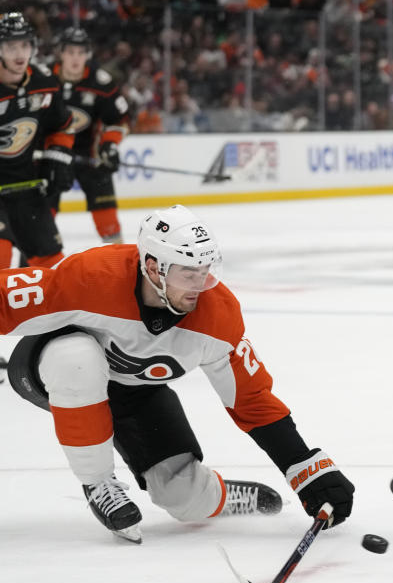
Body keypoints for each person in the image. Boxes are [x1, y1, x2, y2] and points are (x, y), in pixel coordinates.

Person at [2, 205, 355, 543]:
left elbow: (251, 398)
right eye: (188, 272)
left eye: (205, 270)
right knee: (76, 358)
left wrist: (304, 467)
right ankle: (98, 483)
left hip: (136, 393)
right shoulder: (93, 276)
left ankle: (218, 495)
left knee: (183, 499)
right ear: (153, 267)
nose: (199, 284)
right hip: (48, 367)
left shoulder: (219, 315)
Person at [0, 12, 74, 269]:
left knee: (51, 266)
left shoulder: (43, 82)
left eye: (25, 44)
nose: (20, 53)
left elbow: (62, 126)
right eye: (10, 46)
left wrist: (56, 160)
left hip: (25, 184)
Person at [52, 26, 129, 244]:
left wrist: (110, 145)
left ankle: (119, 262)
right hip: (52, 155)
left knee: (108, 222)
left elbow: (120, 119)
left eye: (80, 52)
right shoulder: (44, 79)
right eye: (70, 52)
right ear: (61, 53)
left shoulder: (100, 82)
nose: (76, 58)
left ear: (88, 54)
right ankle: (32, 267)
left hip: (91, 156)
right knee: (40, 218)